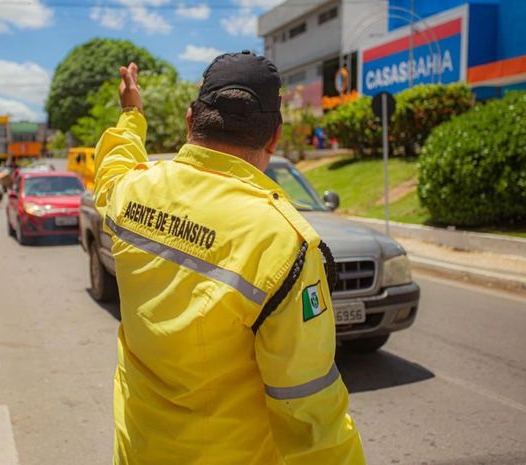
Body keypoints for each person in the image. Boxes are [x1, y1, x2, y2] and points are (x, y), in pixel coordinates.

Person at [94, 51, 365, 465]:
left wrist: (132, 113)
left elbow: (112, 169)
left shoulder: (134, 191)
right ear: (273, 138)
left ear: (190, 120)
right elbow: (310, 412)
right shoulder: (282, 242)